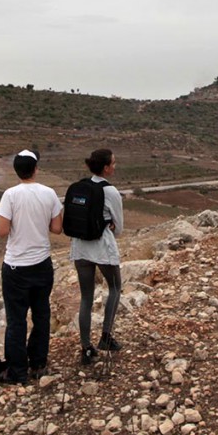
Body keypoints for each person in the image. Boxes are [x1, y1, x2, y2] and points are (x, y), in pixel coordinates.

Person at [0, 149, 63, 384]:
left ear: (16, 171)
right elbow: (57, 229)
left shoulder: (10, 195)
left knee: (16, 320)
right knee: (41, 314)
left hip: (16, 267)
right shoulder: (49, 193)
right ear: (35, 169)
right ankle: (38, 363)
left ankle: (17, 371)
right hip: (42, 264)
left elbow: (2, 231)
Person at [70, 148, 124, 364]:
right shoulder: (110, 192)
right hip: (102, 249)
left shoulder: (81, 186)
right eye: (113, 162)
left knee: (86, 297)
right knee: (115, 288)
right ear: (106, 167)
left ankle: (86, 348)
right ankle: (106, 336)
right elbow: (118, 227)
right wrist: (110, 225)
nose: (115, 165)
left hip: (80, 248)